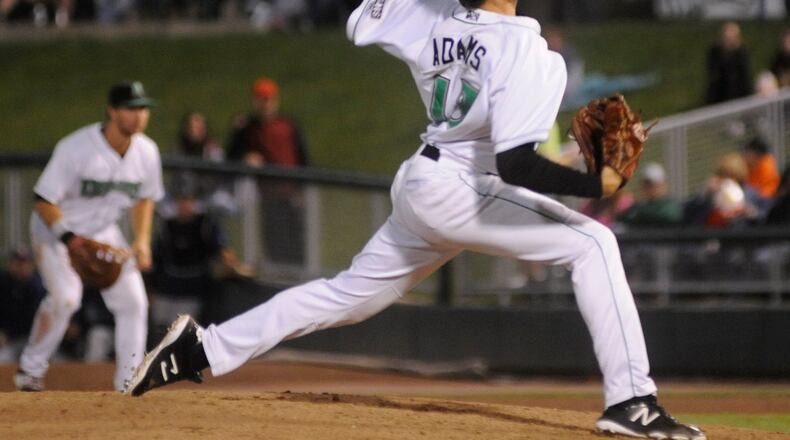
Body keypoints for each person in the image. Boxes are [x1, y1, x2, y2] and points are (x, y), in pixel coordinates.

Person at [126, 2, 705, 439]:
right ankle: (633, 402)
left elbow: (361, 19)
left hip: (424, 183)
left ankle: (200, 349)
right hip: (458, 191)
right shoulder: (532, 54)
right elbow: (515, 163)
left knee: (344, 297)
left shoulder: (432, 20)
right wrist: (594, 183)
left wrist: (578, 166)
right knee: (595, 244)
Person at [14, 81, 164, 392]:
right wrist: (69, 239)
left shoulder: (147, 152)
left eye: (143, 109)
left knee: (134, 301)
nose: (138, 116)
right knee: (66, 298)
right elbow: (43, 199)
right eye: (131, 108)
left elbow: (145, 197)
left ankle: (129, 379)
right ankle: (30, 371)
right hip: (57, 231)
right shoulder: (76, 148)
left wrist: (141, 239)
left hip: (102, 231)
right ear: (111, 111)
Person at [151, 174, 254, 335]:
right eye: (181, 199)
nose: (184, 204)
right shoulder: (167, 225)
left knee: (182, 332)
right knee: (160, 329)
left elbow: (223, 250)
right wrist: (152, 290)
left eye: (188, 199)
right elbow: (156, 259)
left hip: (193, 290)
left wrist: (234, 265)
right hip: (168, 287)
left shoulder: (205, 224)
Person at [227, 76, 310, 266]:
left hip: (292, 194)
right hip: (268, 196)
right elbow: (231, 156)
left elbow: (303, 158)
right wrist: (245, 158)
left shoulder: (288, 125)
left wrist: (302, 190)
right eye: (261, 99)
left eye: (269, 99)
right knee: (274, 242)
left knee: (297, 241)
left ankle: (299, 276)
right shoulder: (248, 128)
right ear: (255, 101)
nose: (266, 104)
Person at [0, 248, 46, 363]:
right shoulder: (2, 283)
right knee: (3, 361)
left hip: (36, 341)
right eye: (18, 263)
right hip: (10, 340)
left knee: (57, 365)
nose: (22, 267)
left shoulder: (41, 285)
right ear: (9, 264)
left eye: (25, 263)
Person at [617, 163, 683, 227]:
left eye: (653, 184)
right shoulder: (638, 206)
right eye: (646, 184)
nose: (649, 188)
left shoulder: (670, 205)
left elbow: (671, 216)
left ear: (663, 184)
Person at [705, 21, 752, 105]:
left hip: (737, 95)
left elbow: (744, 76)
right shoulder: (716, 52)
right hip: (719, 96)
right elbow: (713, 73)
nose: (729, 36)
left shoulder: (742, 53)